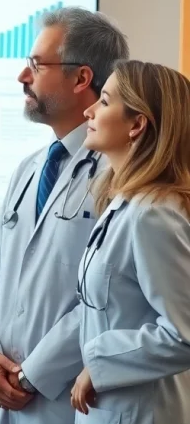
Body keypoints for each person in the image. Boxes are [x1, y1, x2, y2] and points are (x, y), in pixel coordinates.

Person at [0, 6, 129, 424]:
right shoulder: (29, 168)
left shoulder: (119, 173)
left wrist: (34, 373)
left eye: (36, 66)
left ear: (81, 78)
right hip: (3, 392)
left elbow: (107, 297)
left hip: (67, 395)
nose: (23, 77)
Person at [69, 60, 190, 423]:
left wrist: (101, 362)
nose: (89, 110)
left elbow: (184, 335)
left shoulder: (154, 214)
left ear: (137, 124)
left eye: (104, 102)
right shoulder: (123, 204)